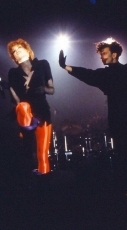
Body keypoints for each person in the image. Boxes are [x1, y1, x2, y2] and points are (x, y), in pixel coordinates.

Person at [59, 37, 127, 191]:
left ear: (114, 54)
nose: (101, 57)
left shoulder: (118, 72)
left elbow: (88, 74)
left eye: (104, 53)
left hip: (118, 120)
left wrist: (65, 66)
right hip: (117, 121)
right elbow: (87, 74)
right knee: (122, 154)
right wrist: (65, 66)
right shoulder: (106, 74)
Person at [7, 38, 54, 188]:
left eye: (19, 48)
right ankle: (27, 127)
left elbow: (52, 89)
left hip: (42, 110)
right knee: (23, 106)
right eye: (14, 51)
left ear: (27, 50)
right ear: (13, 57)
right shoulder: (13, 72)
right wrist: (9, 88)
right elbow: (16, 100)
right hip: (26, 112)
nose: (17, 52)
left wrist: (44, 90)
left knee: (42, 154)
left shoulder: (43, 64)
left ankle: (46, 184)